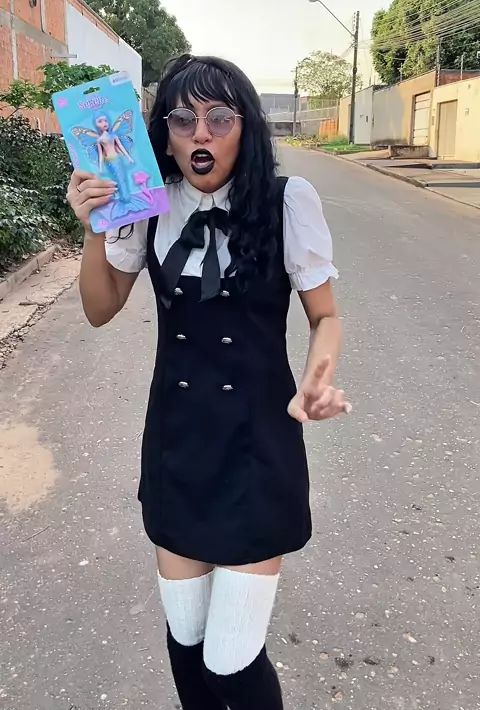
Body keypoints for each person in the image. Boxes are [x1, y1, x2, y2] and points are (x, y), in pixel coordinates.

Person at [67, 54, 350, 710]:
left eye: (220, 118)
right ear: (164, 135)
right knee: (187, 643)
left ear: (245, 128)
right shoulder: (146, 206)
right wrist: (92, 231)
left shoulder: (287, 202)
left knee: (231, 663)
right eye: (183, 119)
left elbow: (326, 316)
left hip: (257, 451)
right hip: (178, 447)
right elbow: (100, 308)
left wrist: (318, 376)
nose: (201, 132)